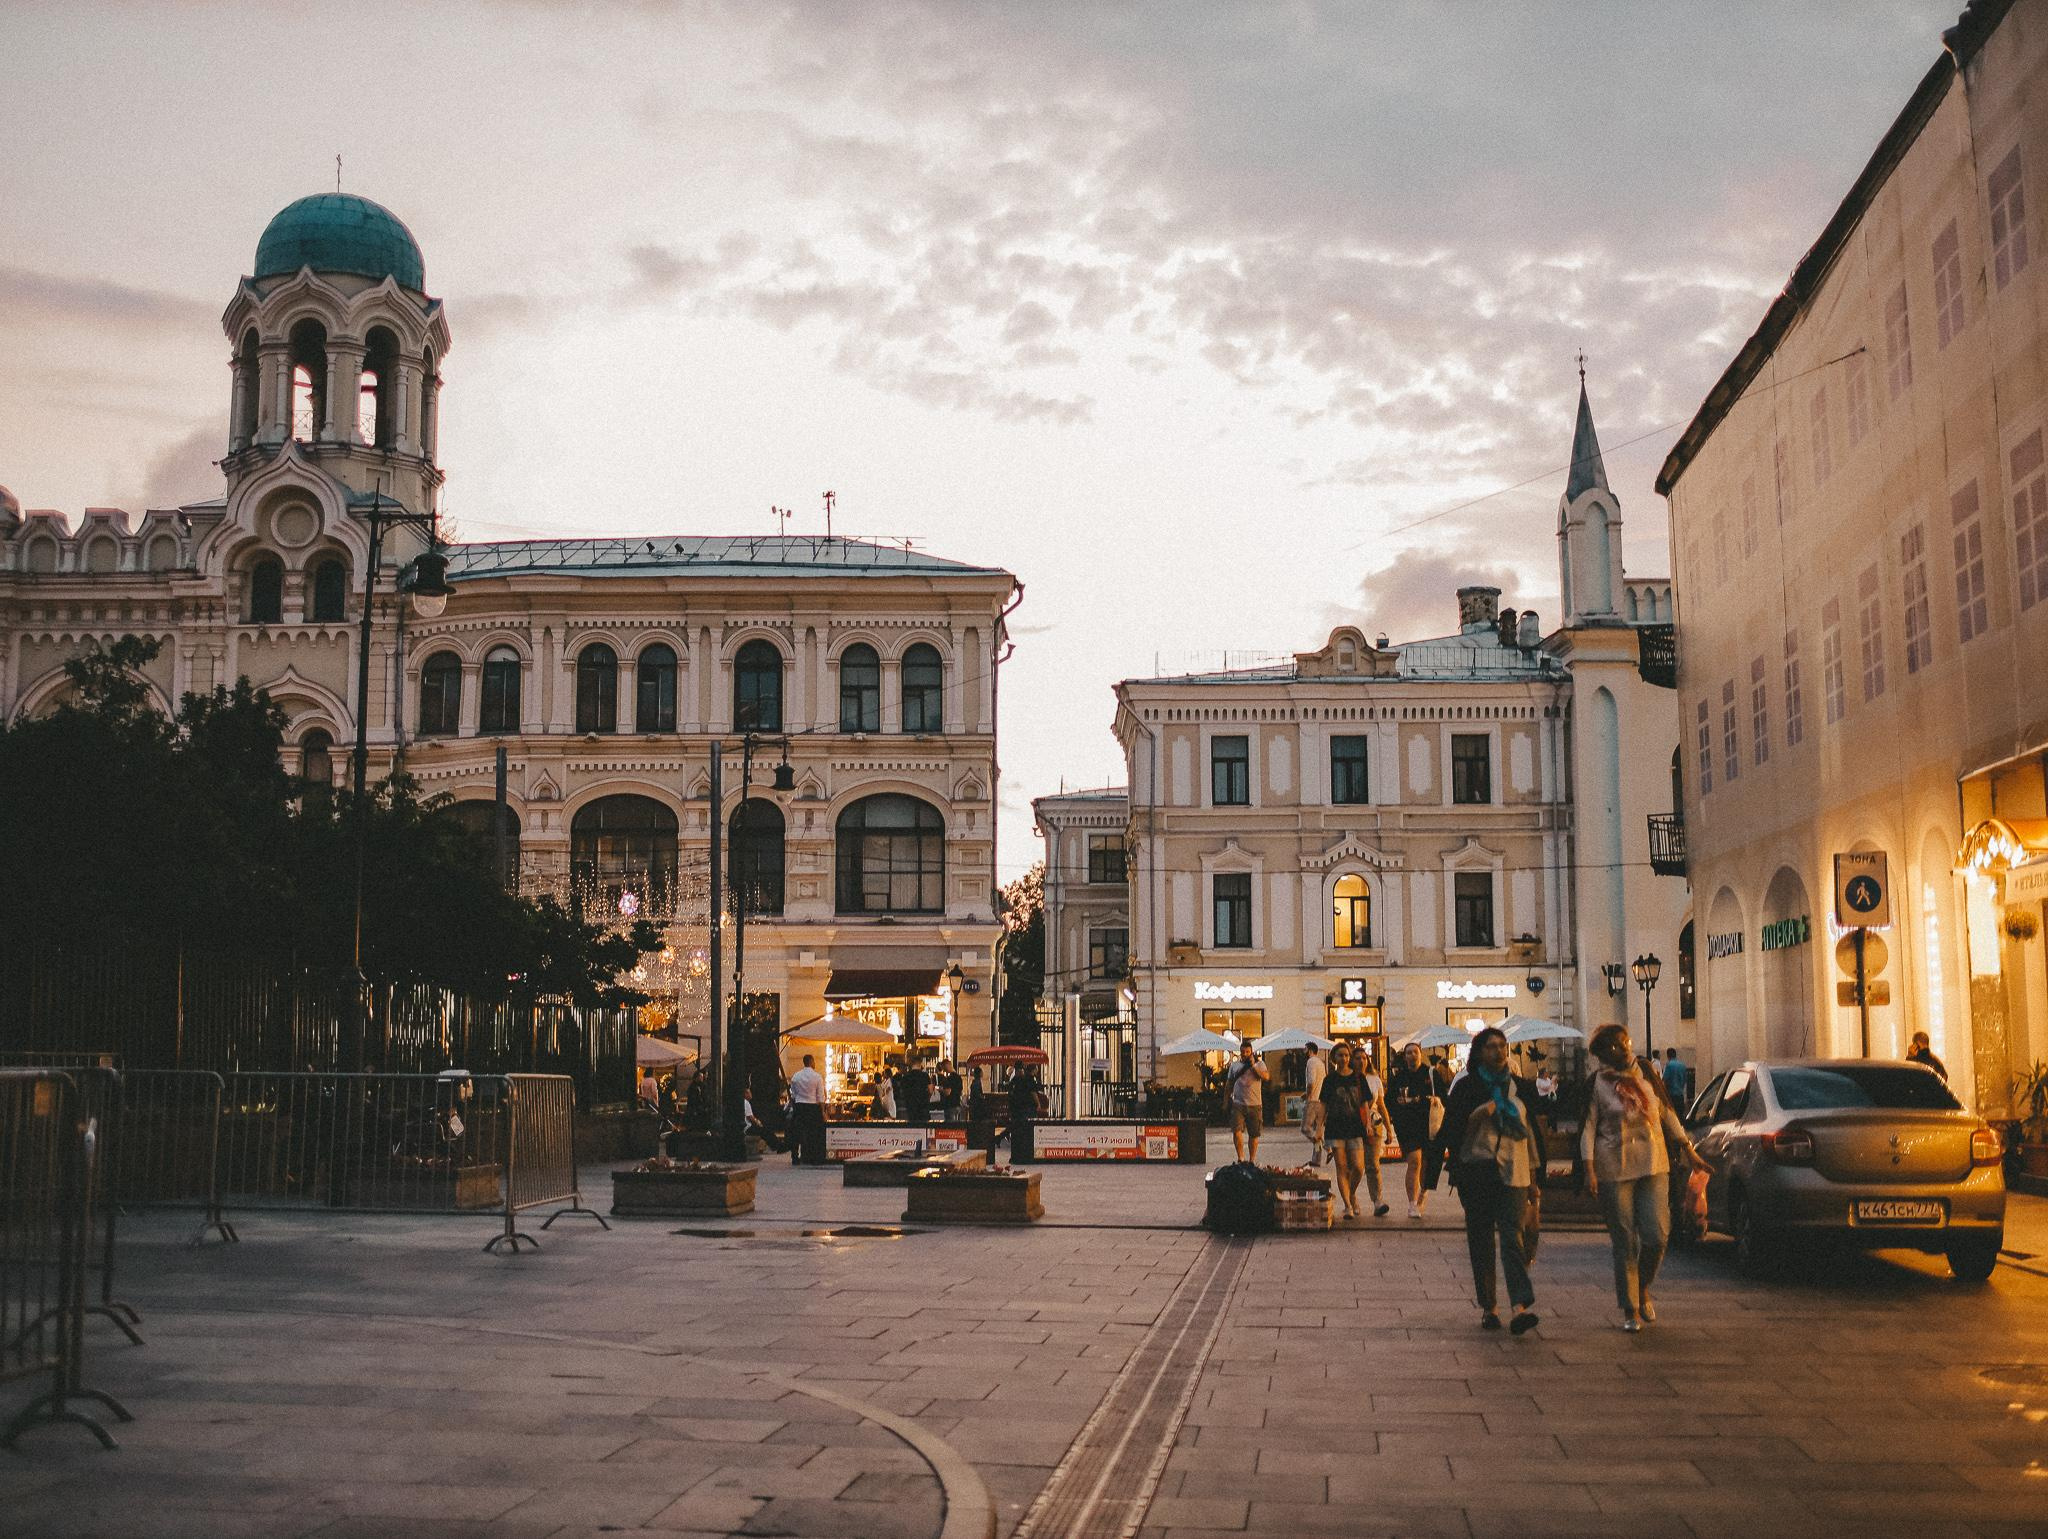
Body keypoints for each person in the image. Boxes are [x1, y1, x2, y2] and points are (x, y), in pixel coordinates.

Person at [1582, 1024, 1710, 1332]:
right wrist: (1589, 1169)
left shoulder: (1645, 1073)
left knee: (1657, 1235)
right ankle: (1630, 1308)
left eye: (1625, 1042)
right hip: (1614, 1165)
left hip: (1654, 1163)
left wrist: (1688, 1149)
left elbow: (1666, 1113)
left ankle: (1642, 1286)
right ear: (1603, 1053)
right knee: (1624, 1240)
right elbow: (1588, 1127)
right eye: (1615, 1046)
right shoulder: (1597, 1083)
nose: (1624, 1049)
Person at [1437, 1025, 1543, 1336]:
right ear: (1480, 1052)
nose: (1499, 1051)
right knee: (1481, 1239)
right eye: (1491, 1046)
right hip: (1477, 1171)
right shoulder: (1467, 1088)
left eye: (1502, 1045)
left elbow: (1531, 1137)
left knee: (1513, 1238)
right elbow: (1453, 1131)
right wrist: (1479, 1113)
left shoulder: (1520, 1088)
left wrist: (1535, 1179)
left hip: (1515, 1172)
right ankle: (1490, 1307)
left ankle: (1520, 1306)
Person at [1320, 1042, 1383, 1220]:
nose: (1344, 1058)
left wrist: (1368, 1124)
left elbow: (1364, 1102)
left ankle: (1352, 1193)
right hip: (1335, 1126)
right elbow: (1323, 1104)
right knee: (1341, 1167)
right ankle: (1348, 1205)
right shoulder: (1329, 1079)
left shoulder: (1358, 1078)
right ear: (1334, 1058)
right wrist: (1319, 1128)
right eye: (1340, 1055)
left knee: (1358, 1167)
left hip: (1355, 1126)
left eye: (1346, 1055)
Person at [1387, 1042, 1437, 1220]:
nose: (1412, 1056)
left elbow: (1443, 1097)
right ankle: (1412, 1204)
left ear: (1420, 1054)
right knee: (1414, 1162)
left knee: (1425, 1166)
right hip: (1407, 1126)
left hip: (1428, 1125)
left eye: (1415, 1052)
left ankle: (1423, 1193)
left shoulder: (1430, 1073)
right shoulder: (1399, 1076)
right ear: (1405, 1056)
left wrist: (1429, 1100)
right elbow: (1389, 1101)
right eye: (1409, 1053)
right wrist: (1396, 1108)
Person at [1225, 1040, 1270, 1163]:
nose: (1245, 1054)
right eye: (1243, 1052)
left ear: (1252, 1052)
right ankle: (1241, 1157)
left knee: (1254, 1134)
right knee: (1237, 1131)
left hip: (1255, 1104)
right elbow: (1228, 1084)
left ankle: (1252, 1160)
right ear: (1240, 1052)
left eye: (1247, 1052)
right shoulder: (1235, 1066)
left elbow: (1266, 1077)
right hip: (1238, 1103)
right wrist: (1225, 1101)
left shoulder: (1260, 1064)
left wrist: (1253, 1066)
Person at [787, 1053, 828, 1166]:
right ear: (811, 1061)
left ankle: (795, 1156)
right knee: (813, 1133)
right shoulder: (817, 1077)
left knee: (797, 1132)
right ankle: (812, 1157)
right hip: (812, 1107)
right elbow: (820, 1097)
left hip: (799, 1106)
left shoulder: (796, 1076)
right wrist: (823, 1112)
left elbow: (793, 1094)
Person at [1301, 1044, 1329, 1167]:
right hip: (1321, 1100)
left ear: (1310, 1050)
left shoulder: (1311, 1062)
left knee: (1305, 1128)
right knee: (1318, 1130)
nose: (1303, 1051)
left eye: (1305, 1049)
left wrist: (1308, 1096)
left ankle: (1328, 1148)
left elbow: (1311, 1082)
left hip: (1313, 1100)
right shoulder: (1321, 1063)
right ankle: (1316, 1159)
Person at [899, 1060, 933, 1124]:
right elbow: (930, 1090)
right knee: (924, 1125)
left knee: (912, 1125)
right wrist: (927, 1098)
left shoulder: (906, 1076)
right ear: (920, 1065)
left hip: (911, 1106)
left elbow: (902, 1091)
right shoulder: (925, 1075)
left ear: (911, 1066)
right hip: (923, 1106)